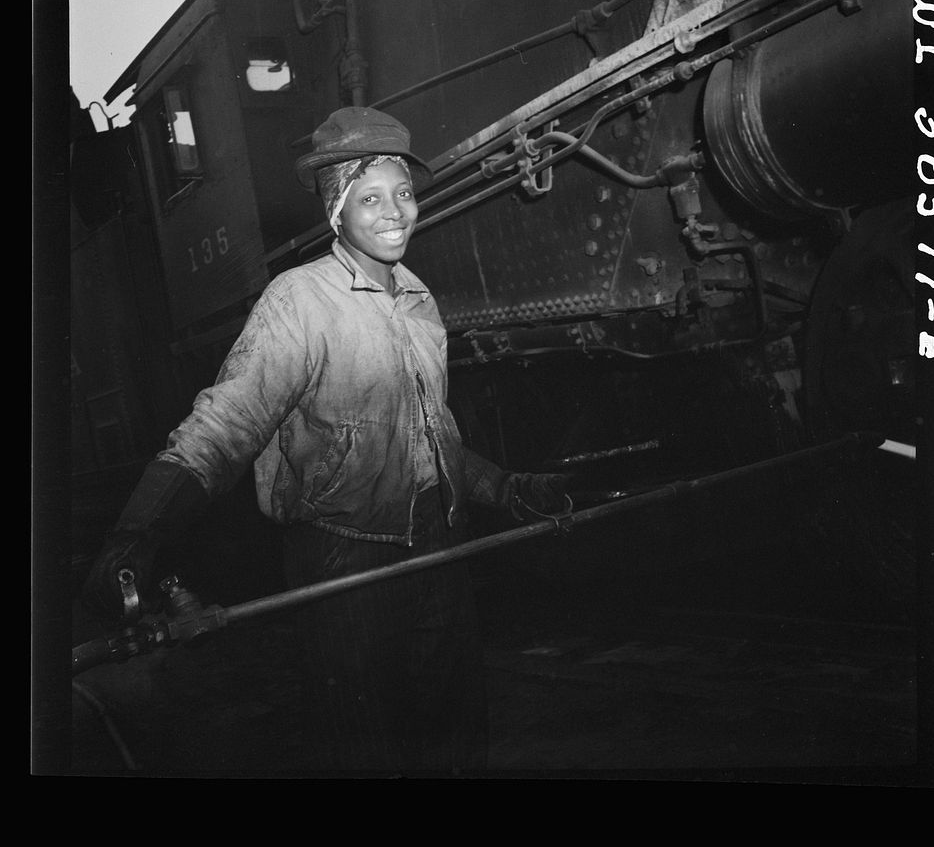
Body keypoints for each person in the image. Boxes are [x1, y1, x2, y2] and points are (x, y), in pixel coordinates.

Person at [82, 106, 572, 776]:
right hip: (346, 569)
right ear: (336, 209)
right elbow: (225, 424)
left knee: (457, 746)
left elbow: (432, 438)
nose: (396, 211)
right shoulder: (299, 301)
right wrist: (139, 532)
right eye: (371, 197)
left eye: (404, 192)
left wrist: (509, 490)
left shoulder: (419, 301)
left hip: (439, 558)